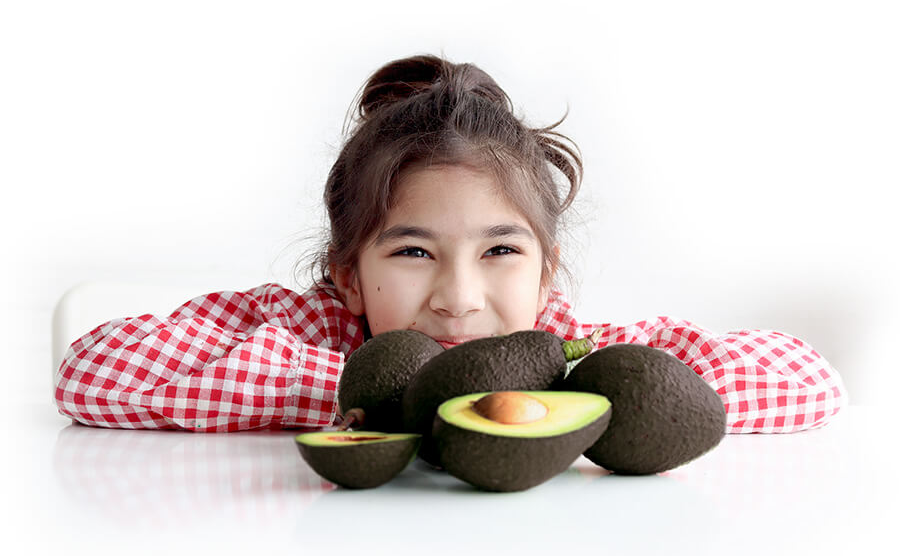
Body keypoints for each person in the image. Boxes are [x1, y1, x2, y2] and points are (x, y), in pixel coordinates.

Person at [54, 54, 846, 433]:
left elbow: (807, 379)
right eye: (411, 252)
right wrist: (389, 396)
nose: (458, 297)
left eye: (500, 252)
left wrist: (581, 403)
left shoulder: (564, 355)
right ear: (350, 277)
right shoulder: (301, 326)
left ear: (546, 275)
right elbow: (93, 369)